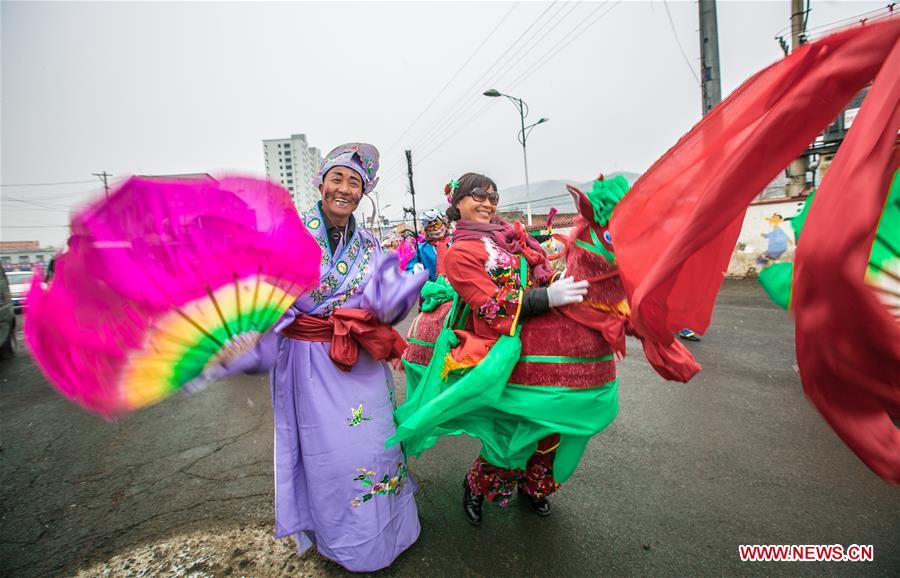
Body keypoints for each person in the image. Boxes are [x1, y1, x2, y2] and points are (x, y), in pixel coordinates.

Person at [225, 143, 427, 571]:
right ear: (320, 184)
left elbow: (381, 302)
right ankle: (347, 542)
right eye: (337, 178)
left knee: (378, 446)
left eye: (354, 183)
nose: (344, 189)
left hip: (361, 362)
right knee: (333, 457)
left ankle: (390, 530)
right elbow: (265, 297)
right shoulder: (287, 235)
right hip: (310, 360)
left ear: (362, 193)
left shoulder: (371, 243)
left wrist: (397, 299)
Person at [426, 172, 588, 524]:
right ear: (457, 203)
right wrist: (545, 298)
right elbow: (489, 306)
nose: (487, 203)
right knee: (512, 432)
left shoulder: (511, 238)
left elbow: (540, 275)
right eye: (477, 196)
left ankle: (535, 488)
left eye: (493, 197)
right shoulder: (459, 253)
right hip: (500, 347)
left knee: (551, 423)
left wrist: (559, 280)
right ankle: (476, 486)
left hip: (541, 342)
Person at [404, 208, 451, 281]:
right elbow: (408, 272)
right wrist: (415, 272)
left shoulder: (455, 242)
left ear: (444, 224)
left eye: (437, 224)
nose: (436, 229)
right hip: (434, 289)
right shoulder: (421, 249)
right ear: (426, 231)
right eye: (430, 228)